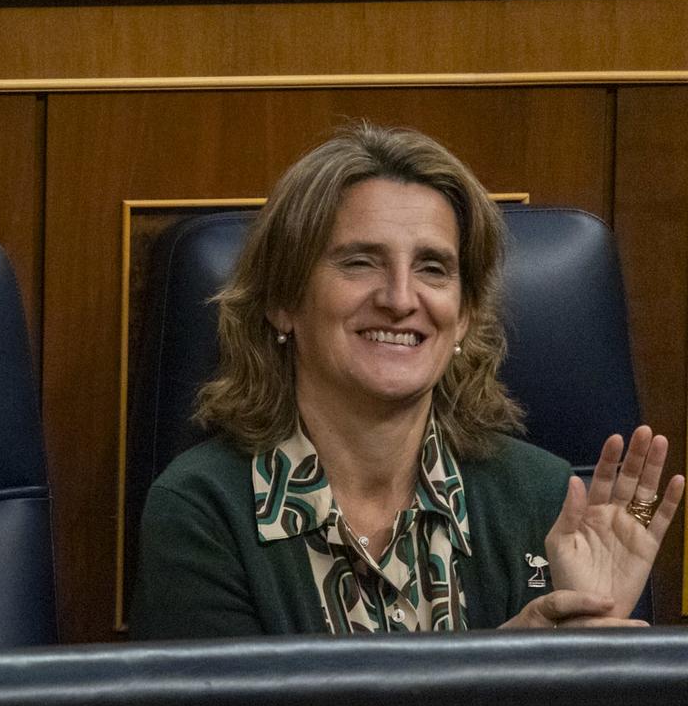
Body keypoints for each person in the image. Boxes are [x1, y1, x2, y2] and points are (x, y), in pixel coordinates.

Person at [131, 124, 682, 639]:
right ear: (282, 301)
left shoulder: (546, 498)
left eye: (433, 269)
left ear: (463, 314)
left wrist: (592, 650)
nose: (399, 299)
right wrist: (501, 670)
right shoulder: (202, 510)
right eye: (360, 263)